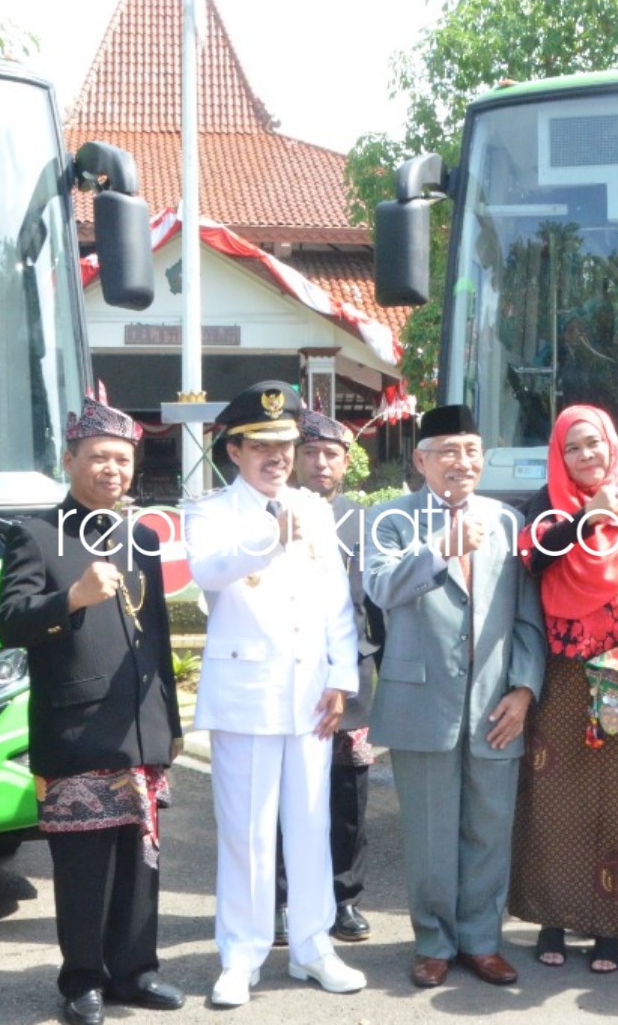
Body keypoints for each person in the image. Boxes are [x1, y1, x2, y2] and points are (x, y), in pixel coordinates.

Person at [0, 398, 186, 1025]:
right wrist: (70, 597)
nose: (112, 469)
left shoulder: (142, 537)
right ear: (69, 459)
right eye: (99, 457)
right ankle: (82, 980)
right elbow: (10, 622)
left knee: (141, 859)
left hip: (140, 725)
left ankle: (137, 970)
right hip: (77, 726)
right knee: (84, 866)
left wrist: (171, 722)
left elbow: (155, 633)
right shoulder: (36, 533)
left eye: (122, 459)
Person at [185, 381, 365, 1008]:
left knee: (310, 825)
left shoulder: (314, 509)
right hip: (247, 693)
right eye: (261, 445)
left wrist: (342, 675)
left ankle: (314, 946)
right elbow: (207, 571)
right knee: (247, 831)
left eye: (286, 444)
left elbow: (336, 599)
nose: (278, 457)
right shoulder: (210, 510)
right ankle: (242, 953)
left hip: (310, 691)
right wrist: (270, 534)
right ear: (233, 450)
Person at [363, 404, 546, 991]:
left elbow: (527, 615)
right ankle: (434, 942)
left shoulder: (509, 521)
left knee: (490, 827)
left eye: (470, 450)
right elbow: (382, 589)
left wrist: (524, 688)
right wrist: (440, 547)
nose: (460, 462)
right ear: (420, 460)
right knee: (430, 830)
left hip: (494, 701)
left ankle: (483, 942)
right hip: (421, 699)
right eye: (446, 451)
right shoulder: (389, 519)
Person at [508, 405, 618, 974]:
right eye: (573, 448)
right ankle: (552, 918)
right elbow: (532, 559)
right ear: (560, 456)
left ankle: (609, 927)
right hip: (561, 674)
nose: (586, 456)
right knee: (555, 799)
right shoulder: (545, 506)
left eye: (594, 444)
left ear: (612, 445)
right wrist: (586, 519)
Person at [272, 409, 383, 946]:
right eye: (310, 452)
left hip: (349, 677)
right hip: (285, 676)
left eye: (331, 454)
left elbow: (376, 607)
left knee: (346, 800)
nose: (320, 463)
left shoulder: (363, 522)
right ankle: (277, 901)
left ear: (347, 462)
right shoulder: (273, 512)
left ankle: (344, 898)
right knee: (277, 795)